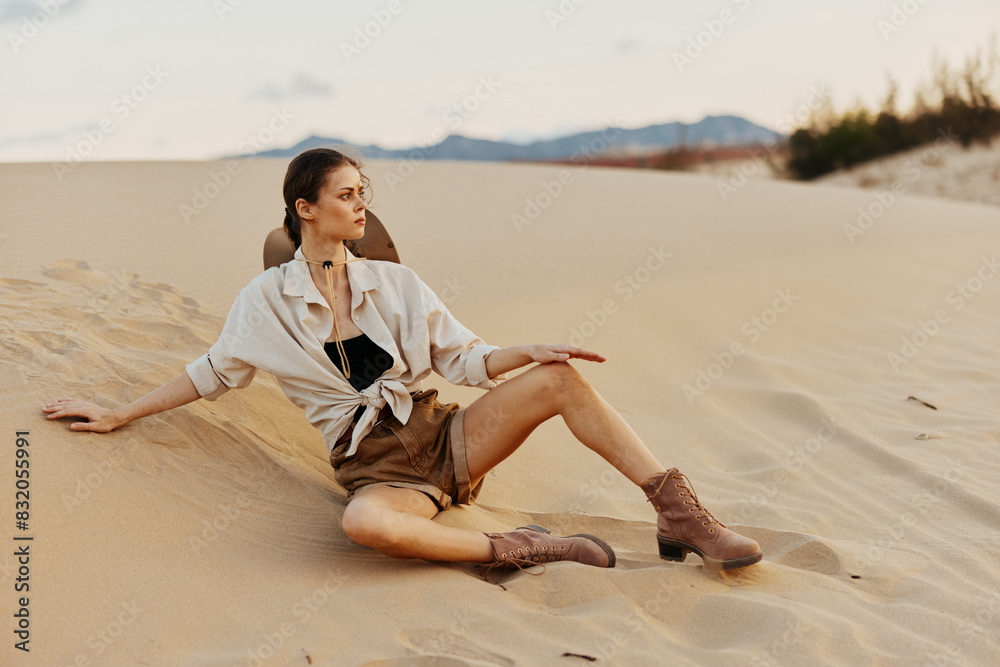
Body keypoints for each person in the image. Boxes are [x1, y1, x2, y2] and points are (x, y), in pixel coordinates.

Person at [42, 148, 762, 573]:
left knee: (560, 377)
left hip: (447, 441)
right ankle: (520, 549)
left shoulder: (396, 283)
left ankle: (679, 513)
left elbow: (468, 357)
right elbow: (208, 375)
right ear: (306, 208)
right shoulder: (262, 303)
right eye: (347, 195)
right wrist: (118, 412)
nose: (361, 206)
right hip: (379, 470)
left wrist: (529, 351)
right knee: (364, 529)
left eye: (364, 195)